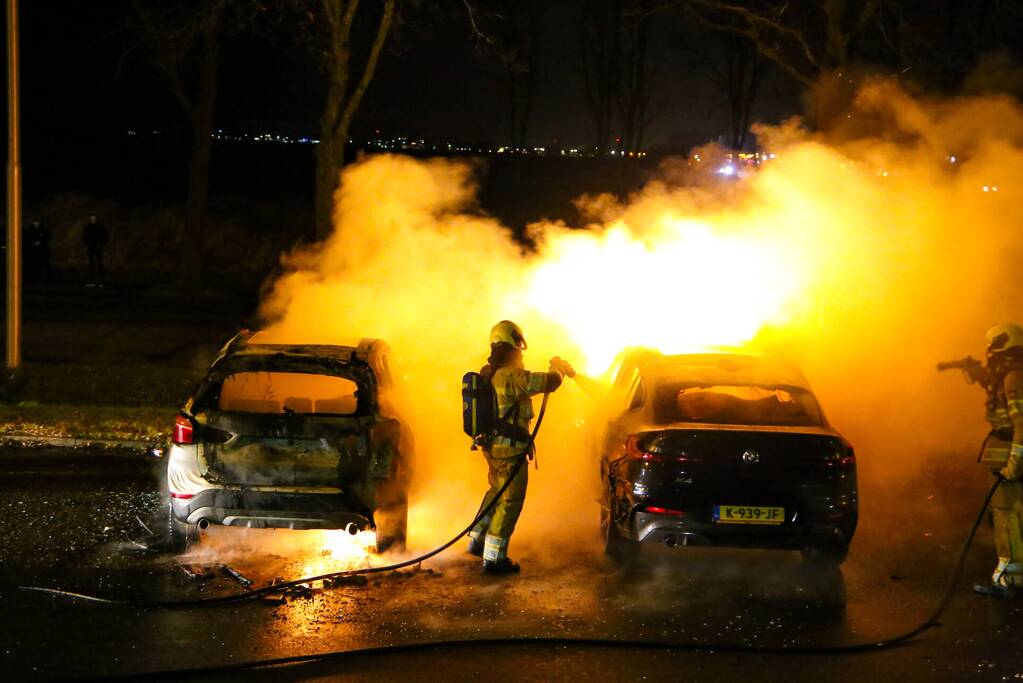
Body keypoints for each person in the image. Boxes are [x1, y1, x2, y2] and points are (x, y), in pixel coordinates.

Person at [467, 320, 578, 575]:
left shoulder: (489, 372)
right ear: (513, 344)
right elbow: (548, 382)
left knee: (496, 491)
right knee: (510, 500)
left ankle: (477, 538)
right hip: (510, 451)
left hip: (493, 447)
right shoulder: (510, 376)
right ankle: (494, 559)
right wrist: (557, 369)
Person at [973, 323, 1023, 597]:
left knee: (1008, 519)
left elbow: (1021, 423)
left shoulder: (1015, 377)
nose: (989, 351)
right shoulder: (1012, 373)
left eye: (993, 344)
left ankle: (1010, 580)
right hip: (1004, 455)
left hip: (1009, 458)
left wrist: (1014, 464)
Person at [82, 215, 108, 286]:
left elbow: (105, 236)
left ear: (96, 219)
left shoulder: (101, 227)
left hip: (98, 248)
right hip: (90, 248)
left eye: (94, 219)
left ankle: (101, 281)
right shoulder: (87, 227)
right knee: (91, 265)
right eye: (91, 219)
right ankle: (92, 281)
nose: (93, 220)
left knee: (100, 264)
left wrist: (101, 245)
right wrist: (87, 244)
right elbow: (84, 237)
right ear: (90, 220)